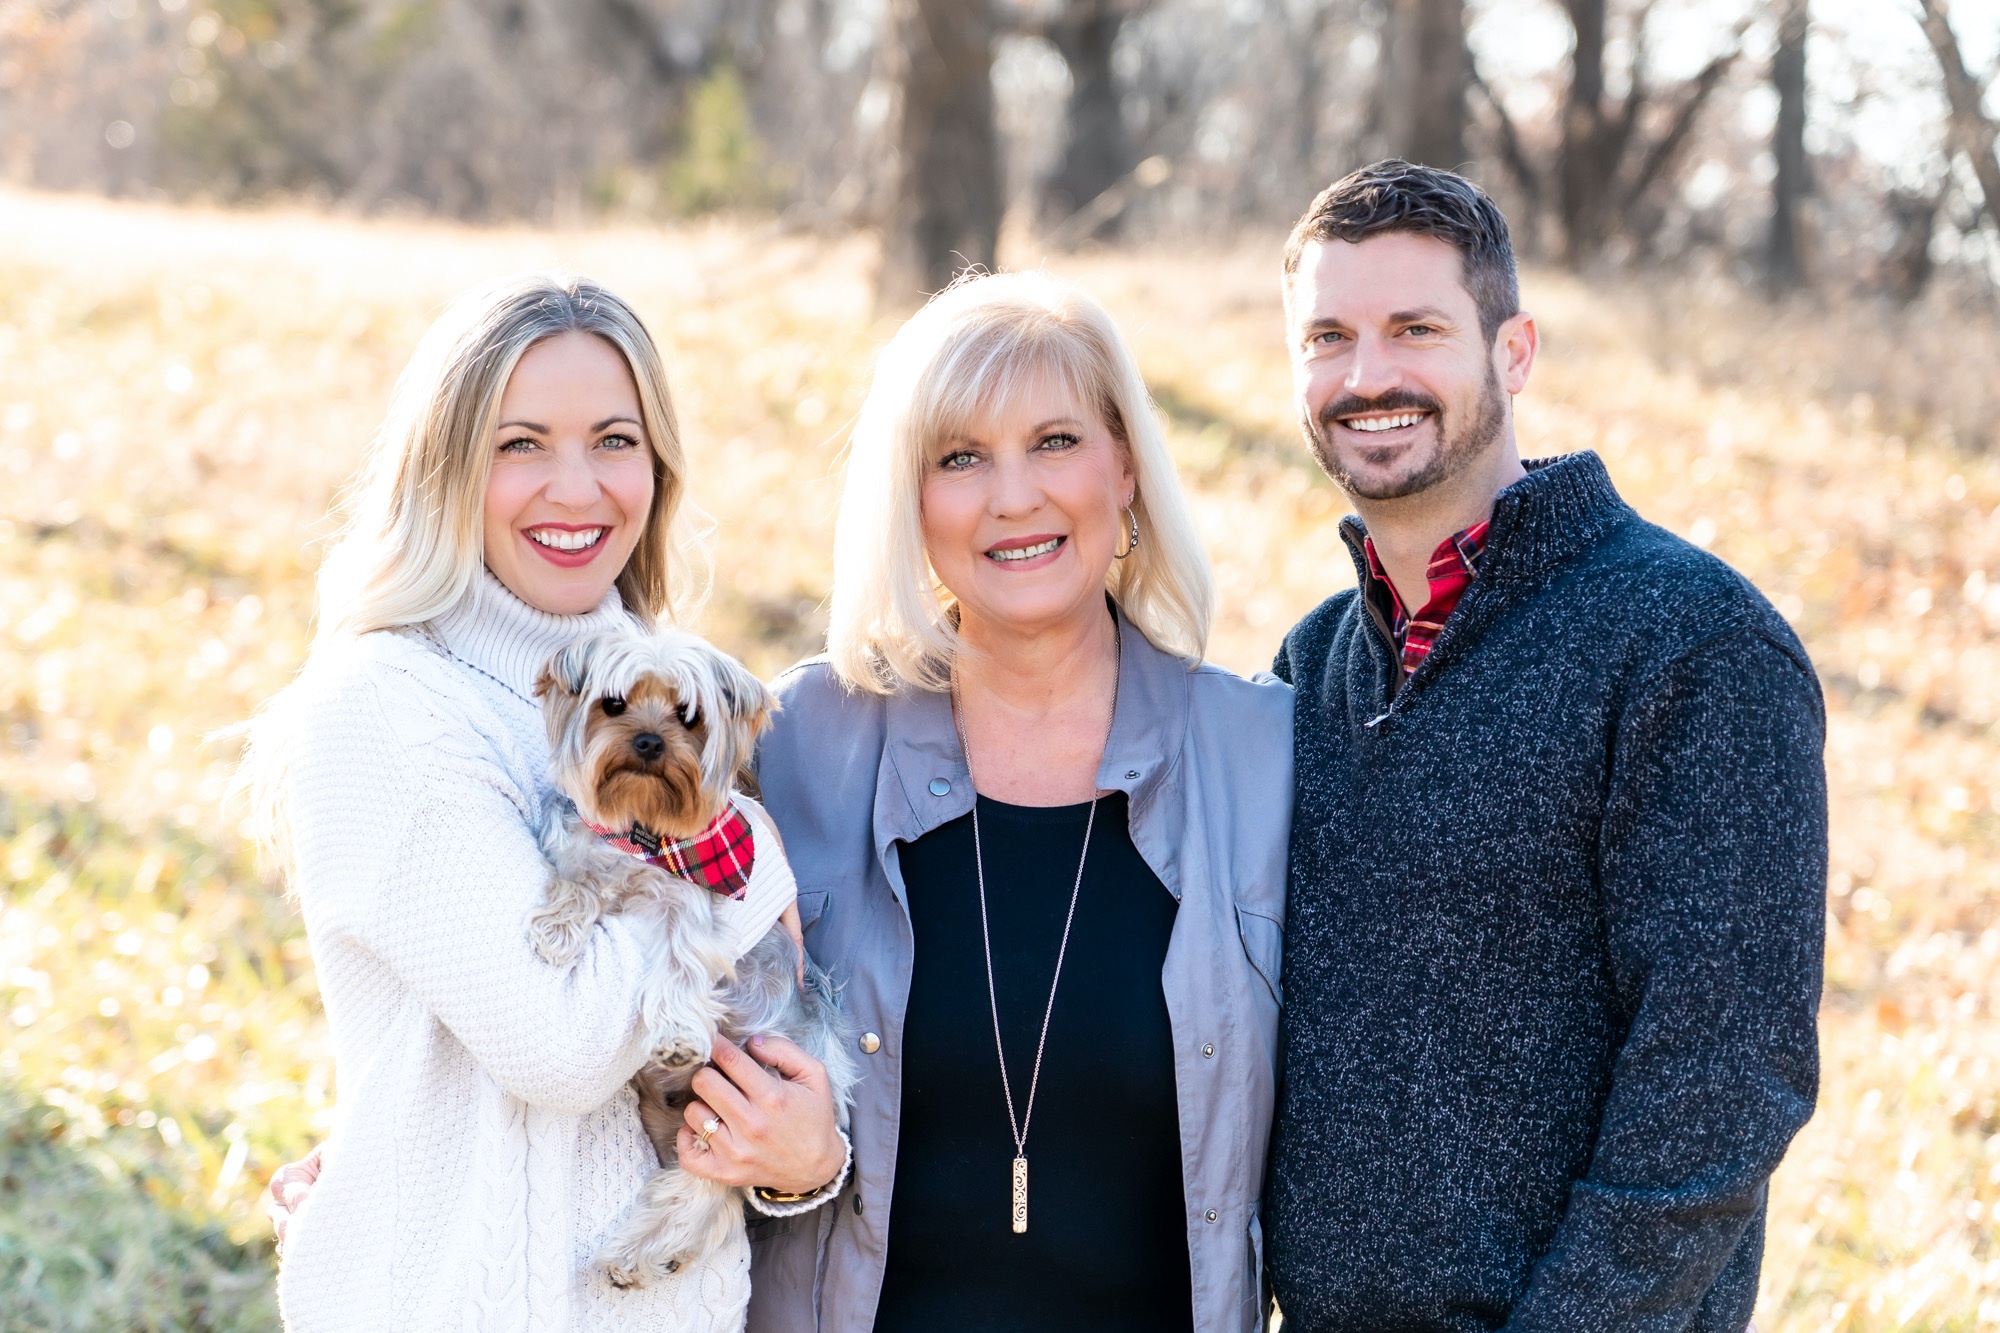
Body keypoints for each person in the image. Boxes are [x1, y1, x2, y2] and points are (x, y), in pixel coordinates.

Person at [1264, 160, 1826, 1330]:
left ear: (1511, 352)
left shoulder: (1687, 642)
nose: (1367, 377)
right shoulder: (1308, 667)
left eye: (1414, 328)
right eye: (1328, 337)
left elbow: (1721, 1082)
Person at [246, 274, 846, 1332]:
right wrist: (743, 857)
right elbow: (563, 1046)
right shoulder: (390, 707)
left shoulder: (677, 702)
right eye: (519, 444)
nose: (576, 488)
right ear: (446, 470)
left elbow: (737, 1051)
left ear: (656, 470)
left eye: (614, 440)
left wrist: (804, 1153)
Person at [739, 270, 1293, 1333]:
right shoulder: (794, 745)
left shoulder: (1261, 753)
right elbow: (632, 1007)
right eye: (959, 458)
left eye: (1053, 442)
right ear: (909, 497)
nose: (1013, 497)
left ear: (1124, 464)